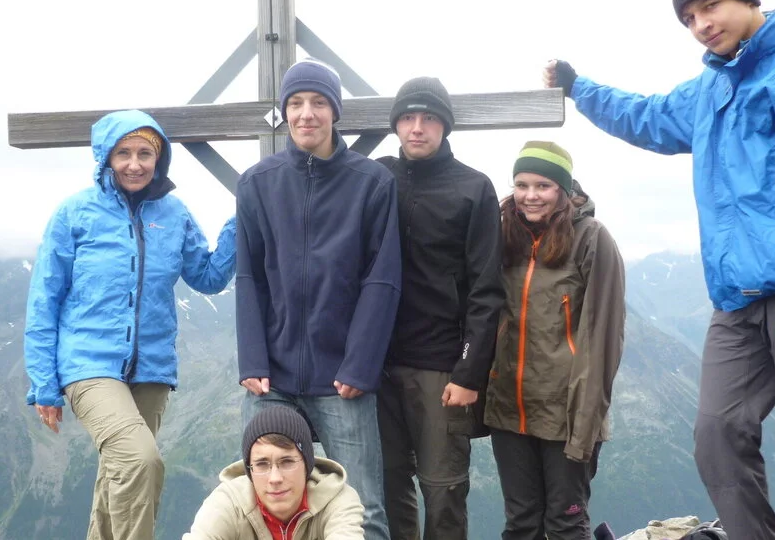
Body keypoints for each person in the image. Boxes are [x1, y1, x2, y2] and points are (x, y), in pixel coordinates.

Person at [545, 0, 775, 538]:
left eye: (711, 6)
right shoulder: (710, 89)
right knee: (716, 434)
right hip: (737, 296)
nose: (702, 23)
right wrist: (579, 87)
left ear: (749, 0)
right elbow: (646, 117)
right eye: (689, 17)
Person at [24, 109, 237, 540]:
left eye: (145, 153)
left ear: (160, 159)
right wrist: (44, 382)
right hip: (88, 365)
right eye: (123, 152)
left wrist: (243, 221)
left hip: (152, 370)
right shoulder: (75, 213)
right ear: (105, 157)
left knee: (117, 476)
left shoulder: (174, 213)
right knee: (141, 461)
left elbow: (208, 277)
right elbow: (44, 300)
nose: (135, 163)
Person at [234, 58, 401, 540]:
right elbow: (249, 277)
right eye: (296, 103)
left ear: (335, 112)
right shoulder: (257, 183)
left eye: (319, 102)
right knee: (261, 506)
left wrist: (360, 365)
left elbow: (382, 279)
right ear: (284, 112)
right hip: (272, 379)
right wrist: (252, 359)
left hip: (342, 377)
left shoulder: (372, 183)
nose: (307, 113)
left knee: (363, 505)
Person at [374, 77, 504, 540]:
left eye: (428, 118)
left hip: (441, 368)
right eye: (407, 118)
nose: (417, 128)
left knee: (443, 488)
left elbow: (488, 290)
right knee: (387, 486)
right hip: (376, 365)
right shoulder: (376, 177)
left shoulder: (473, 188)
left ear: (445, 126)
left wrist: (469, 373)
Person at [484, 141, 626, 540]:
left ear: (564, 189)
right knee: (521, 523)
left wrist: (586, 422)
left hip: (567, 412)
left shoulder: (592, 238)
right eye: (521, 184)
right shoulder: (501, 233)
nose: (530, 196)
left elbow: (603, 338)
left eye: (543, 185)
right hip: (509, 408)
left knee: (565, 524)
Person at [183, 405, 364, 539]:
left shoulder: (338, 500)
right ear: (249, 471)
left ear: (307, 464)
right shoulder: (228, 502)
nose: (275, 478)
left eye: (287, 462)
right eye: (262, 464)